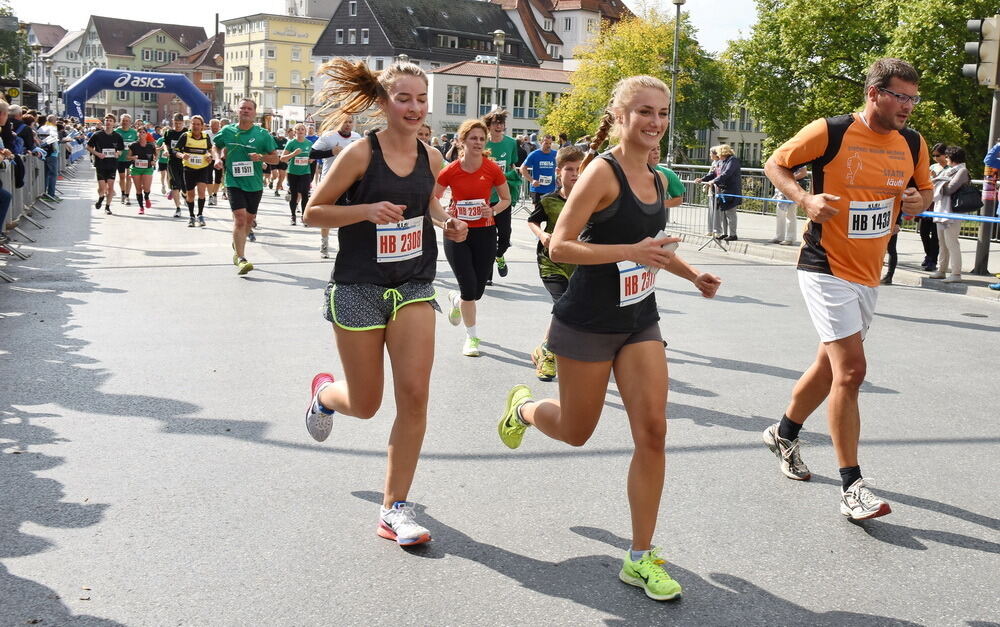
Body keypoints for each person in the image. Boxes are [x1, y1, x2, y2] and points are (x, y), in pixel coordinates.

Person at [497, 75, 721, 602]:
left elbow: (653, 249)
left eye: (663, 113)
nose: (656, 122)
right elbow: (561, 247)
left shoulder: (660, 179)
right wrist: (630, 253)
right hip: (588, 321)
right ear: (620, 115)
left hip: (639, 318)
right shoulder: (601, 172)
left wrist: (693, 277)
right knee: (577, 430)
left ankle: (640, 557)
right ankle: (525, 409)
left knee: (654, 431)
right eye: (644, 111)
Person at [301, 58, 467, 547]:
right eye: (404, 98)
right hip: (358, 287)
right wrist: (366, 211)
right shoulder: (358, 154)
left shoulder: (432, 157)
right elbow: (314, 213)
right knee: (367, 402)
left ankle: (394, 507)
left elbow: (432, 205)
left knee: (414, 394)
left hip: (413, 284)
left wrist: (447, 222)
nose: (415, 108)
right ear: (382, 102)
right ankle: (325, 396)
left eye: (421, 99)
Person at [762, 57, 933, 520]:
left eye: (913, 98)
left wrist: (919, 201)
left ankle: (783, 432)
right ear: (874, 93)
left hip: (867, 272)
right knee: (852, 371)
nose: (908, 107)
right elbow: (775, 163)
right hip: (824, 265)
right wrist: (804, 198)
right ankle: (851, 485)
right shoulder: (831, 131)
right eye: (900, 96)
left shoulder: (912, 142)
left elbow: (924, 194)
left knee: (828, 365)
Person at [436, 119, 511, 357]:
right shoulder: (450, 170)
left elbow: (506, 199)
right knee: (469, 289)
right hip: (457, 233)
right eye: (473, 138)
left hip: (485, 232)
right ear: (461, 141)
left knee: (476, 292)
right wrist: (446, 219)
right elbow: (432, 199)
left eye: (481, 138)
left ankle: (457, 300)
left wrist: (494, 210)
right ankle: (472, 338)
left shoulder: (492, 168)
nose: (478, 142)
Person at [525, 145, 584, 381]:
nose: (574, 174)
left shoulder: (591, 201)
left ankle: (544, 348)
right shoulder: (549, 200)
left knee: (570, 309)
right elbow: (532, 221)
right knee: (563, 305)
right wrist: (542, 235)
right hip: (551, 261)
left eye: (579, 169)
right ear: (558, 171)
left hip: (579, 263)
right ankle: (548, 354)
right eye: (569, 169)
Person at [212, 99, 279, 275]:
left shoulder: (263, 134)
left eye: (249, 109)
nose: (245, 111)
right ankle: (241, 258)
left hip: (255, 183)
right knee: (240, 218)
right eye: (242, 108)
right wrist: (217, 158)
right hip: (234, 181)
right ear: (237, 111)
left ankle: (238, 241)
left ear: (254, 113)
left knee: (249, 221)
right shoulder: (227, 131)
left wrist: (261, 157)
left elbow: (276, 158)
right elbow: (215, 145)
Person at [309, 116, 363, 258]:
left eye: (350, 122)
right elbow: (312, 153)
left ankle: (344, 247)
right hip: (330, 182)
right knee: (327, 215)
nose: (347, 125)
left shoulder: (357, 138)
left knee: (347, 216)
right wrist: (331, 152)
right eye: (344, 122)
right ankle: (324, 243)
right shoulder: (328, 136)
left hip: (350, 183)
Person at [482, 109, 522, 281]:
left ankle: (499, 256)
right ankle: (488, 275)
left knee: (505, 237)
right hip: (484, 197)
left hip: (502, 197)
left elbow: (513, 165)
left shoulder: (511, 143)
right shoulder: (482, 144)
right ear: (488, 126)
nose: (499, 126)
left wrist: (514, 178)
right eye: (495, 123)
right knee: (488, 237)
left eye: (501, 123)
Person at [929, 146, 969, 283]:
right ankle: (941, 270)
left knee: (952, 243)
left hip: (952, 212)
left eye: (947, 156)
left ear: (952, 157)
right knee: (942, 243)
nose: (945, 159)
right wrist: (940, 181)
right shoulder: (949, 170)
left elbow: (950, 189)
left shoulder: (962, 171)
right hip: (942, 210)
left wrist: (939, 182)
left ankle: (956, 273)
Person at [175, 115, 213, 227]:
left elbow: (210, 149)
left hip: (202, 168)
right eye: (193, 124)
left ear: (202, 126)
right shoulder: (185, 136)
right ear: (190, 125)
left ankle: (200, 215)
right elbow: (175, 150)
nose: (195, 126)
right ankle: (191, 216)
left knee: (201, 192)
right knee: (191, 195)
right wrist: (181, 155)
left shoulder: (206, 137)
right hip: (189, 169)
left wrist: (210, 155)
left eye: (198, 124)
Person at [699, 144, 742, 241]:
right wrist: (702, 179)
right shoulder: (721, 162)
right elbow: (714, 173)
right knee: (723, 212)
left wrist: (714, 181)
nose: (717, 155)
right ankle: (725, 233)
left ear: (723, 152)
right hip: (722, 190)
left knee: (730, 213)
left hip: (731, 190)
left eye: (718, 152)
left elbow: (727, 173)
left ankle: (733, 234)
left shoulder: (732, 160)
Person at [86, 114, 124, 215]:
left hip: (112, 164)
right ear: (104, 122)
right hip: (100, 164)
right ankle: (101, 197)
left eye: (110, 120)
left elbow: (121, 149)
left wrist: (117, 154)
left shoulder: (117, 136)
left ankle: (107, 207)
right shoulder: (97, 135)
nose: (108, 122)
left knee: (110, 187)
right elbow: (88, 147)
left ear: (114, 123)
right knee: (102, 188)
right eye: (107, 120)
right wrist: (97, 153)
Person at [280, 123, 315, 226]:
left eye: (302, 129)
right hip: (293, 172)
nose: (300, 131)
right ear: (295, 132)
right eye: (298, 129)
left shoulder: (309, 143)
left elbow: (312, 157)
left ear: (305, 131)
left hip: (305, 172)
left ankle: (304, 217)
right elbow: (282, 158)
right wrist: (293, 154)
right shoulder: (291, 143)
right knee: (294, 195)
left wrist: (311, 159)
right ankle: (293, 216)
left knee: (305, 194)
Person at [921, 143, 946, 270]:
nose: (935, 158)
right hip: (928, 204)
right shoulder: (933, 166)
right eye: (934, 155)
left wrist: (936, 178)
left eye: (938, 155)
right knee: (923, 232)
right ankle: (928, 255)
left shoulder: (949, 169)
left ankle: (933, 260)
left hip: (939, 206)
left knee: (935, 236)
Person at [770, 166, 807, 245]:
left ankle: (790, 238)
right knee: (780, 213)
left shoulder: (799, 159)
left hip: (793, 188)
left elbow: (803, 173)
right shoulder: (783, 159)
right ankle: (779, 236)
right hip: (782, 189)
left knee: (790, 214)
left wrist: (788, 178)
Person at [519, 134, 557, 206]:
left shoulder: (555, 154)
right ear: (541, 142)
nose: (548, 145)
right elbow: (522, 168)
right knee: (538, 213)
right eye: (546, 143)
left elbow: (562, 167)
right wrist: (532, 180)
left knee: (549, 213)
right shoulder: (534, 154)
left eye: (550, 143)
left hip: (551, 189)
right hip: (537, 189)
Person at [163, 114, 188, 218]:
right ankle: (178, 208)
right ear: (172, 122)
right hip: (173, 161)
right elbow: (165, 144)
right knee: (175, 185)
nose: (177, 125)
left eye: (179, 123)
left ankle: (185, 195)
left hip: (185, 162)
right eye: (175, 123)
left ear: (182, 122)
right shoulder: (169, 132)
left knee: (185, 186)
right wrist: (165, 151)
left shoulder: (187, 132)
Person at [128, 129, 157, 214]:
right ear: (137, 134)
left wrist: (154, 161)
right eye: (140, 132)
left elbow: (156, 155)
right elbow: (128, 157)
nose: (141, 134)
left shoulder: (150, 145)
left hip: (147, 169)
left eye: (143, 132)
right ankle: (141, 207)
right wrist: (133, 158)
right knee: (138, 189)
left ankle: (147, 197)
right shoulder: (133, 145)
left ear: (146, 134)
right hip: (136, 169)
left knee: (147, 188)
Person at [647, 144, 685, 210]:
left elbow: (679, 199)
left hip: (654, 217)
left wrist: (656, 206)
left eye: (658, 149)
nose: (657, 152)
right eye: (652, 149)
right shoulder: (629, 170)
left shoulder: (668, 173)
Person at [696, 147, 721, 236]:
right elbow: (710, 175)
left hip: (717, 189)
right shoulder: (714, 163)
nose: (709, 155)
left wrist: (707, 181)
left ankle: (717, 231)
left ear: (715, 154)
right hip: (711, 189)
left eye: (711, 153)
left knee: (716, 211)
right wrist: (703, 181)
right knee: (711, 210)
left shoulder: (720, 163)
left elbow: (715, 176)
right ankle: (710, 229)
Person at [114, 114, 138, 206]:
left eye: (127, 121)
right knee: (122, 177)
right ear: (120, 121)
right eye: (123, 120)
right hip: (120, 159)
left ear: (130, 122)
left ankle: (127, 196)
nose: (125, 122)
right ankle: (123, 193)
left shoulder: (133, 132)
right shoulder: (116, 131)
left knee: (129, 177)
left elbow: (136, 143)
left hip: (130, 158)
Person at [207, 118, 224, 206]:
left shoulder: (222, 134)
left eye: (217, 127)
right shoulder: (206, 134)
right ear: (210, 126)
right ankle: (210, 196)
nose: (215, 129)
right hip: (208, 159)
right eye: (213, 127)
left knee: (218, 178)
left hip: (219, 159)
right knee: (209, 178)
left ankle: (215, 194)